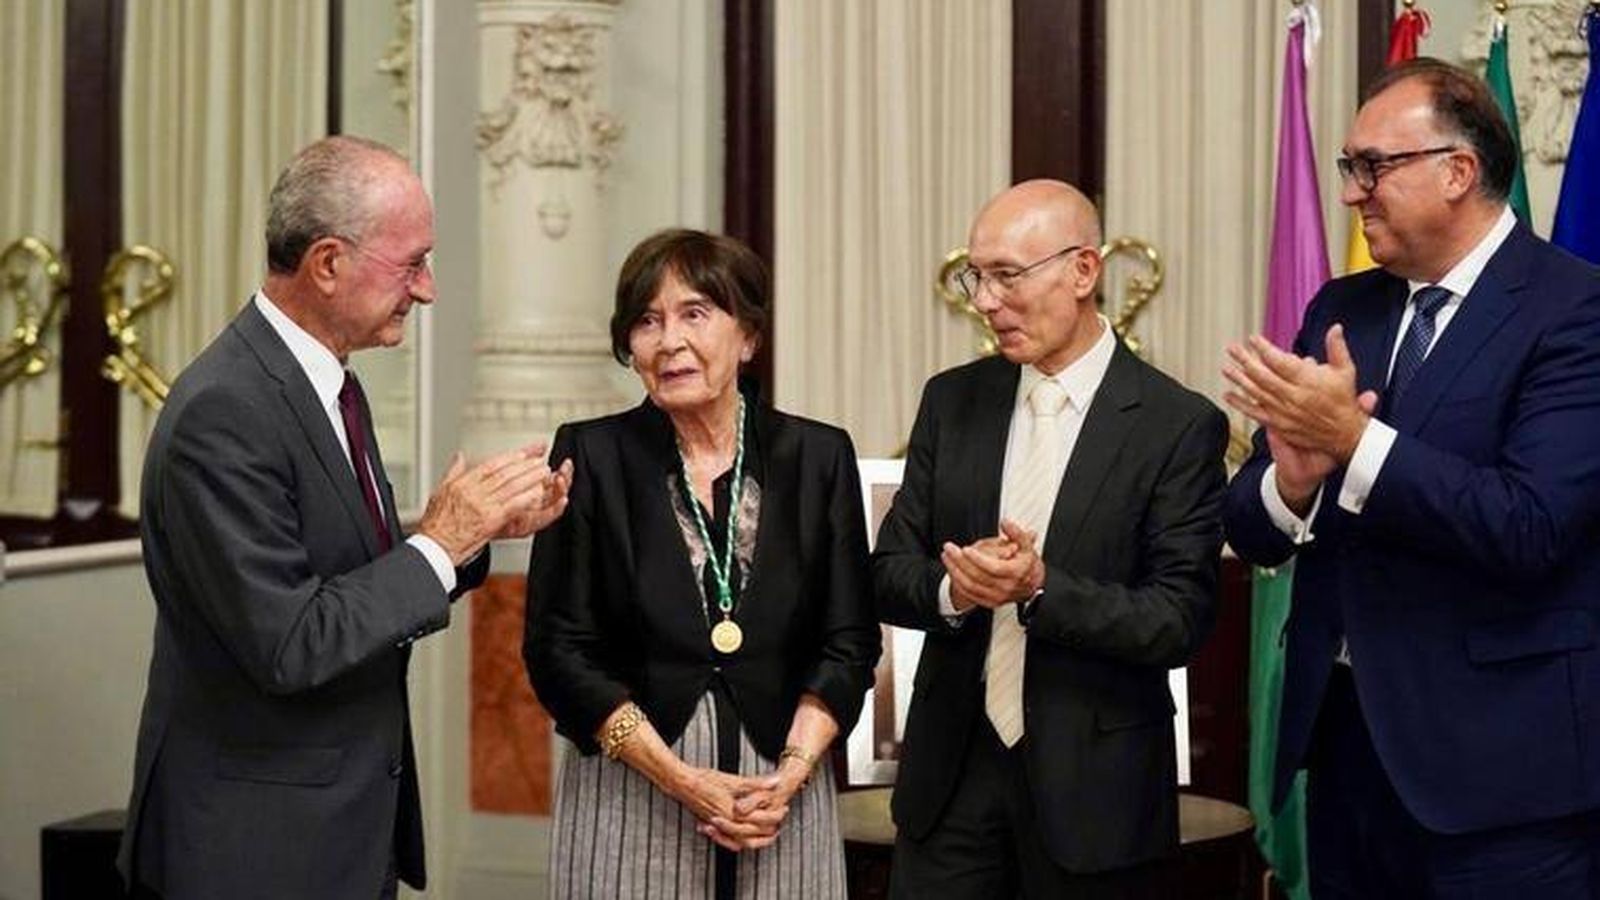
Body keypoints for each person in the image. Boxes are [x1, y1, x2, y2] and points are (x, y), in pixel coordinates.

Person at [117, 135, 572, 900]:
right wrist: (439, 542)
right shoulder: (225, 411)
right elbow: (292, 642)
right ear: (327, 264)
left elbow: (332, 572)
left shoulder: (325, 382)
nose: (426, 290)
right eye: (412, 264)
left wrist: (466, 534)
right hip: (254, 849)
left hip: (333, 833)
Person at [1223, 58, 1600, 897]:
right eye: (1349, 168)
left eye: (1372, 167)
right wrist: (1289, 485)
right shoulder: (1340, 307)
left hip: (1503, 779)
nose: (1353, 192)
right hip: (1347, 753)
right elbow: (1248, 522)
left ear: (1456, 171)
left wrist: (1356, 444)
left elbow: (1530, 526)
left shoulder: (1575, 310)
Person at [872, 180, 1229, 898]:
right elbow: (886, 571)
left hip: (1096, 795)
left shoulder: (1176, 425)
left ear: (1084, 271)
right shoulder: (953, 400)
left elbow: (1177, 621)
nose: (986, 300)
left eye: (1008, 275)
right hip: (951, 782)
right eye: (979, 276)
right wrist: (954, 588)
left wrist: (1041, 589)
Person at [525, 228, 880, 900]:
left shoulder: (817, 457)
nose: (669, 341)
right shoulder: (591, 457)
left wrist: (792, 775)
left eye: (695, 313)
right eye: (647, 321)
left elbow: (849, 643)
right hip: (634, 787)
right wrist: (682, 780)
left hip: (778, 792)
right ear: (629, 346)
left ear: (746, 336)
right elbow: (558, 651)